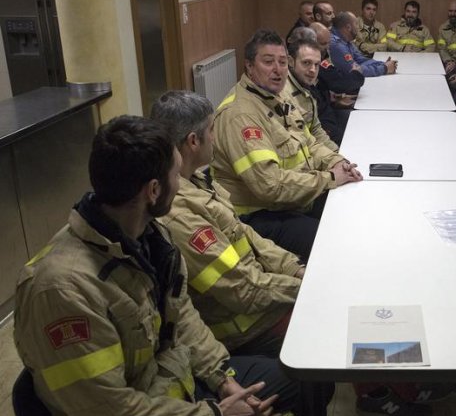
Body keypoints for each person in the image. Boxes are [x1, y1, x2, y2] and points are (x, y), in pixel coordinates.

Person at [14, 115, 305, 416]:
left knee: (305, 382)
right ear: (153, 190)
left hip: (180, 388)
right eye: (177, 175)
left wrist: (223, 380)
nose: (182, 186)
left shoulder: (149, 237)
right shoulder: (63, 290)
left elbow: (183, 320)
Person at [152, 91, 305, 358]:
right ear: (193, 142)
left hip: (263, 299)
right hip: (246, 329)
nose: (215, 137)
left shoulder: (196, 179)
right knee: (331, 322)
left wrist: (294, 269)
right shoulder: (178, 214)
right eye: (211, 130)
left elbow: (248, 237)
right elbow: (242, 290)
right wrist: (305, 288)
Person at [212, 29, 362, 261]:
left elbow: (309, 141)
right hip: (258, 216)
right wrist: (329, 179)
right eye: (268, 62)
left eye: (282, 62)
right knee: (335, 239)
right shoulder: (241, 116)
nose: (277, 69)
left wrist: (338, 162)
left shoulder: (277, 96)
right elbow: (270, 187)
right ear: (249, 67)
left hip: (293, 197)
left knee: (354, 207)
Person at [281, 39, 341, 150]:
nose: (313, 70)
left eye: (317, 65)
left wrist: (337, 155)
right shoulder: (283, 93)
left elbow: (316, 130)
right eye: (306, 63)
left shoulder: (306, 87)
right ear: (290, 61)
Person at [329, 11, 397, 78]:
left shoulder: (346, 40)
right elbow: (355, 71)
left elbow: (361, 60)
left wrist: (383, 64)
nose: (358, 27)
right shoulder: (336, 45)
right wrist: (384, 68)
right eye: (356, 24)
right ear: (348, 27)